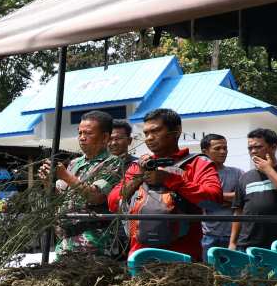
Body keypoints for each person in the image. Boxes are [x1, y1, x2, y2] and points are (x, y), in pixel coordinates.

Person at [108, 108, 222, 261]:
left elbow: (214, 201)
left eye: (155, 131)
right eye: (146, 133)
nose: (149, 138)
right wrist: (138, 177)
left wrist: (170, 179)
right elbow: (113, 203)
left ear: (176, 131)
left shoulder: (198, 163)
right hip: (140, 258)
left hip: (183, 260)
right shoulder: (138, 166)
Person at [36, 111, 125, 257]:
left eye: (88, 133)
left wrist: (65, 175)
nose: (82, 138)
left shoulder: (113, 163)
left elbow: (95, 196)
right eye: (80, 133)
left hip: (93, 241)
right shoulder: (74, 164)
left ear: (104, 137)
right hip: (65, 241)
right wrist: (47, 183)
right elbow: (57, 198)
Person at [229, 128, 277, 251]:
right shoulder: (245, 177)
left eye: (258, 147)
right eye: (250, 148)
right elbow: (238, 212)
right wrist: (232, 242)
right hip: (248, 244)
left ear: (273, 147)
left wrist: (268, 170)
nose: (253, 151)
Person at [197, 134, 241, 255]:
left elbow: (243, 198)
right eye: (217, 148)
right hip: (206, 236)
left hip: (232, 237)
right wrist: (230, 199)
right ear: (205, 152)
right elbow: (199, 200)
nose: (223, 152)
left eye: (225, 148)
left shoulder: (237, 173)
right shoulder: (198, 175)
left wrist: (213, 198)